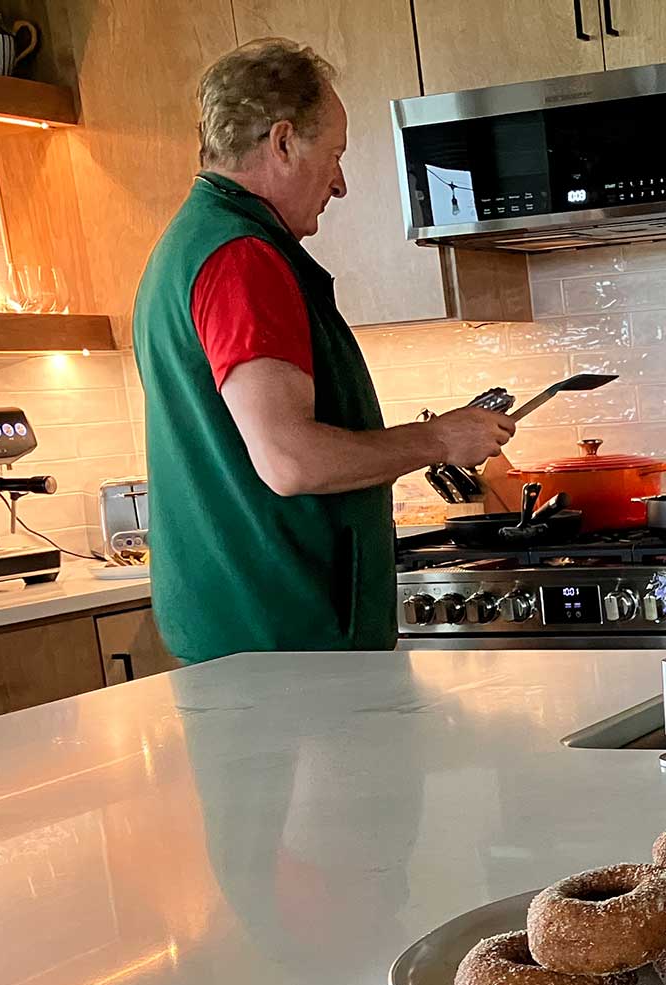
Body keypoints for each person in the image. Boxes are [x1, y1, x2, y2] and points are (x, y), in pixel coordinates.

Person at [133, 37, 515, 664]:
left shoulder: (196, 243)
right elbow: (291, 460)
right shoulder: (241, 259)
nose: (339, 184)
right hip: (283, 632)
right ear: (282, 142)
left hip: (257, 631)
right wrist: (440, 441)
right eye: (333, 154)